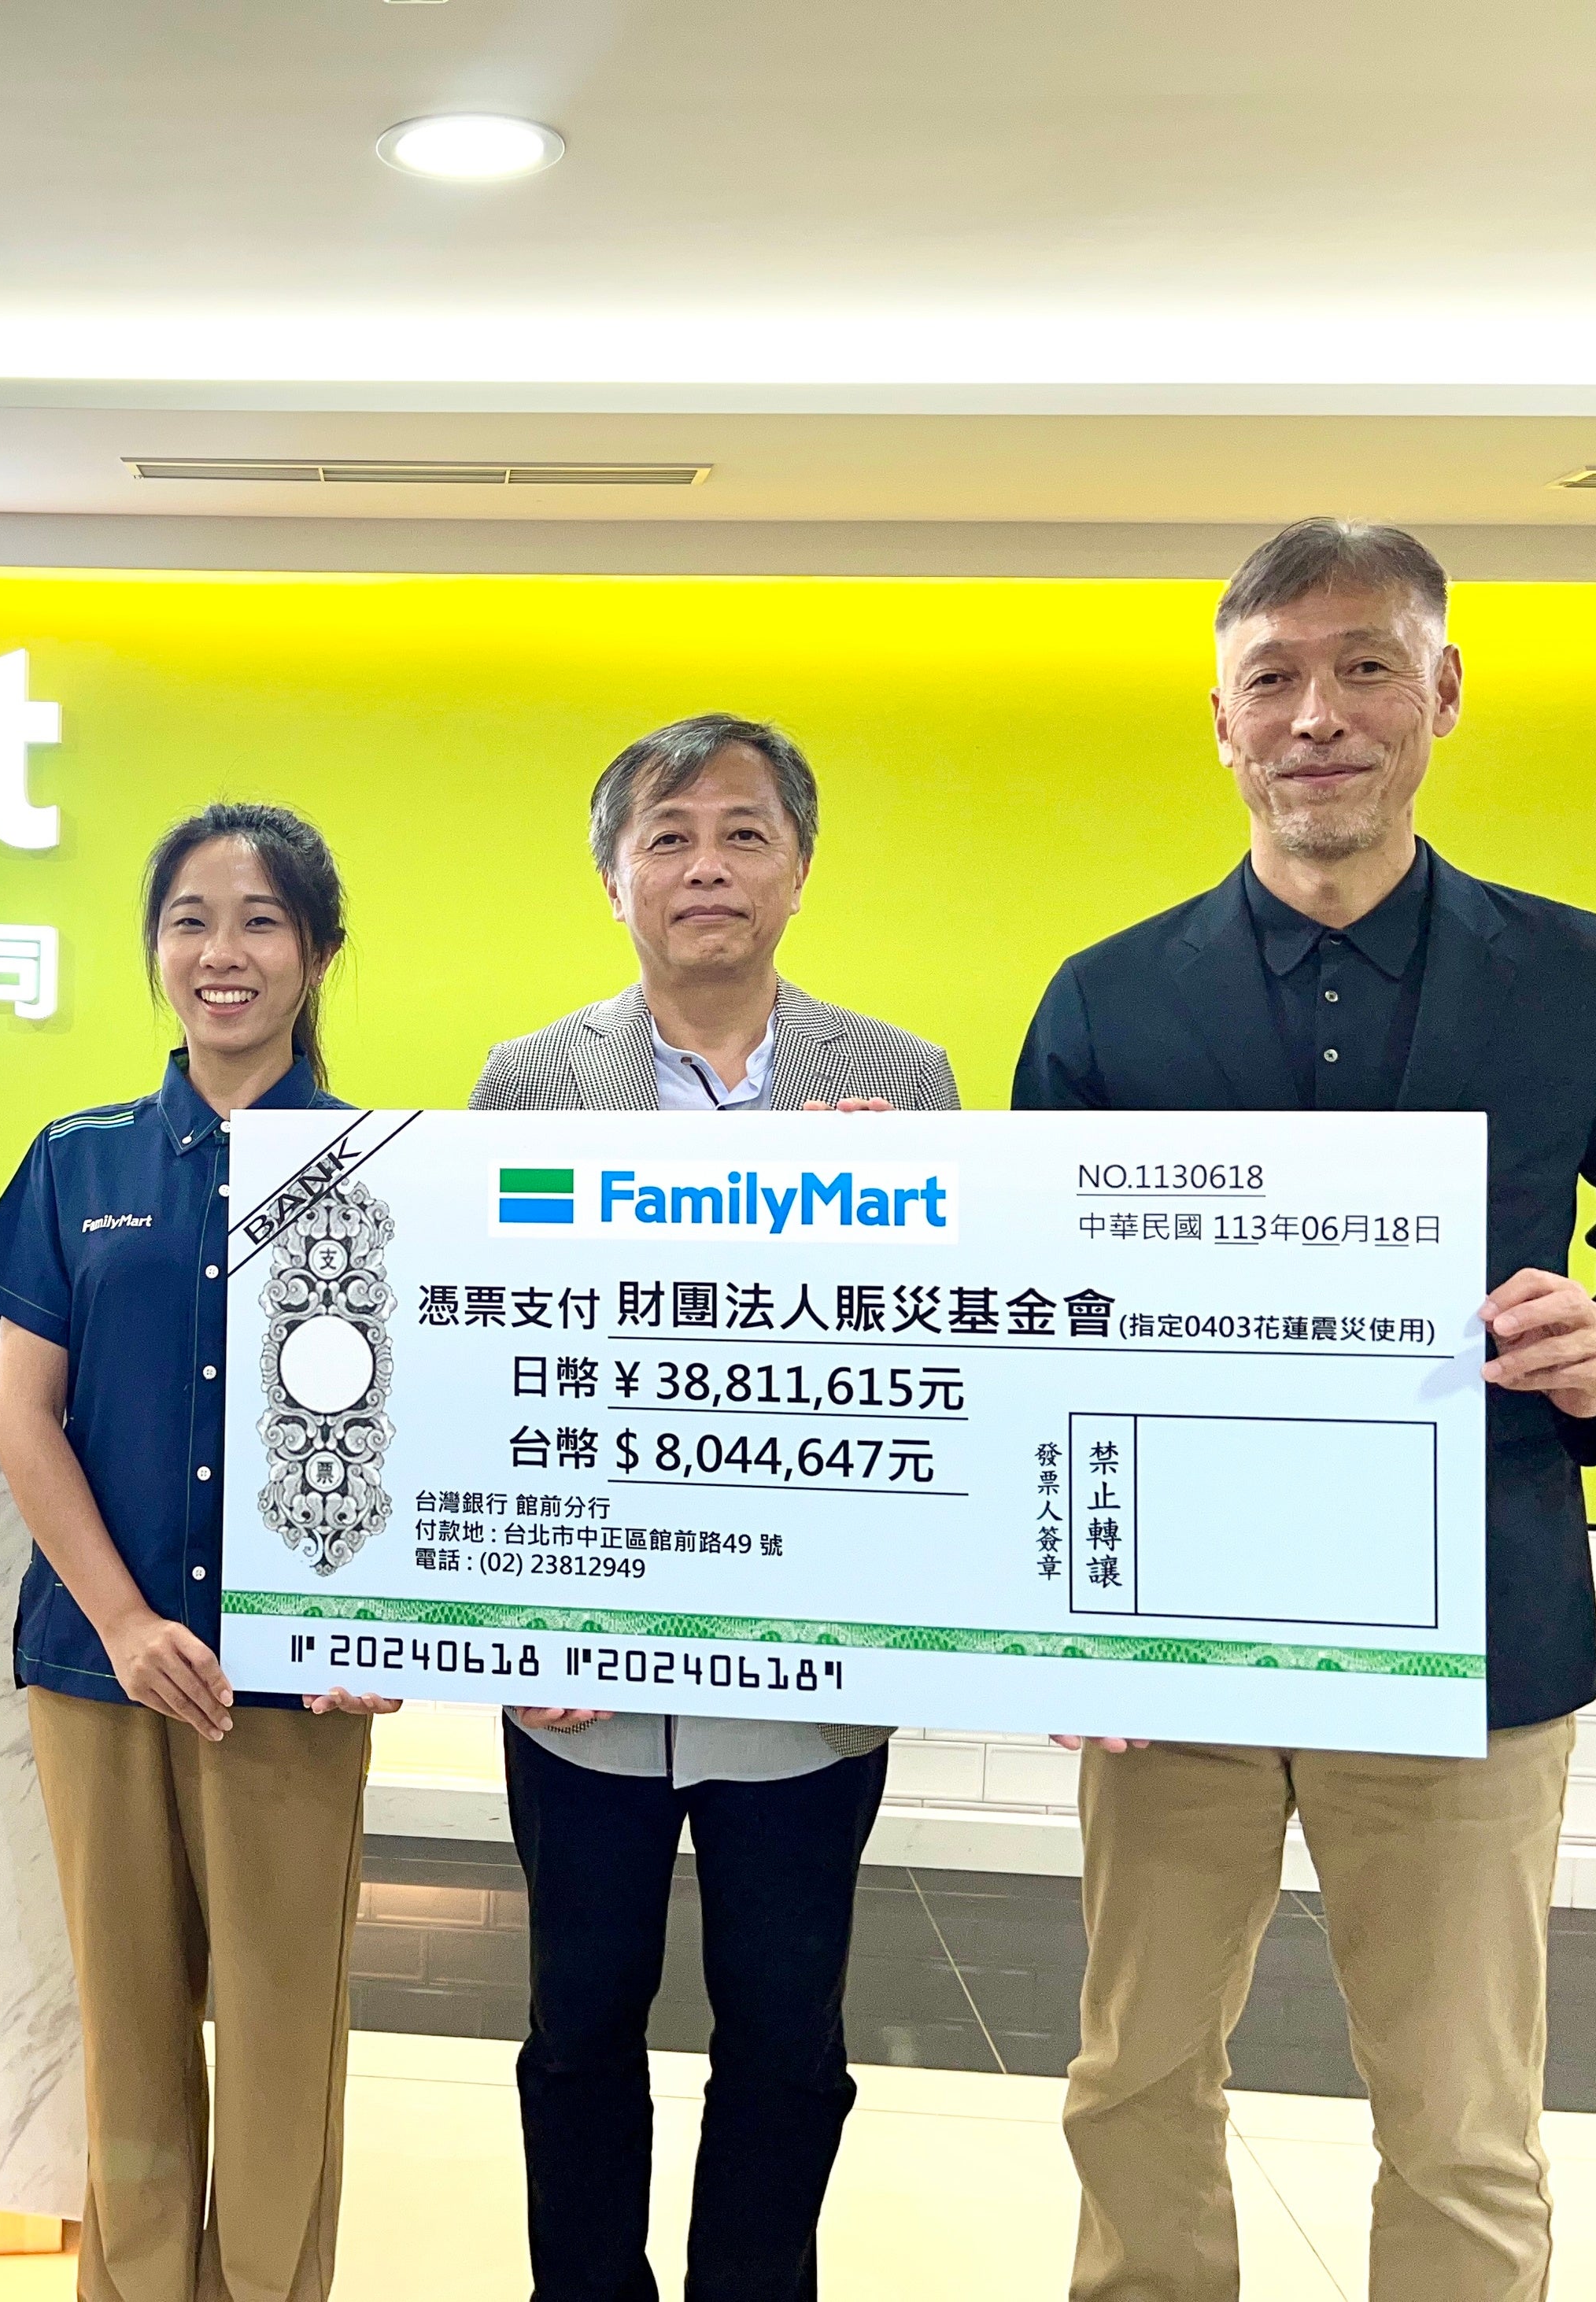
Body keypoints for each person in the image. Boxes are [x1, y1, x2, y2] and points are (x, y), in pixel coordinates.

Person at [1014, 518, 1596, 2302]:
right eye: (1272, 678)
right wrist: (1050, 1615)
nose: (1317, 715)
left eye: (1364, 668)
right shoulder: (1108, 997)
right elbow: (1036, 1313)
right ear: (1221, 719)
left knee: (1461, 2119)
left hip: (1471, 1625)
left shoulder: (1578, 973)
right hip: (1174, 1640)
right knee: (1131, 2084)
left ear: (1443, 691)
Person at [470, 713, 958, 2302]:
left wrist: (898, 1219)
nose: (707, 867)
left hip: (807, 1677)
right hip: (584, 1674)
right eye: (668, 836)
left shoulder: (900, 1082)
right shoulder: (531, 1084)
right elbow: (489, 1363)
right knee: (578, 2025)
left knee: (789, 2034)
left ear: (798, 870)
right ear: (614, 878)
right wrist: (510, 1625)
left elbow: (950, 1363)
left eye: (745, 833)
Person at [0, 801, 398, 2302]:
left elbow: (428, 1433)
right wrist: (128, 1622)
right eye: (191, 920)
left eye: (262, 919)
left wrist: (385, 1627)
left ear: (318, 952)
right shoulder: (76, 1161)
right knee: (127, 2034)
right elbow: (25, 1416)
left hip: (298, 1683)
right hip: (99, 1671)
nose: (223, 951)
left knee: (282, 2035)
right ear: (156, 949)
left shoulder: (379, 1167)